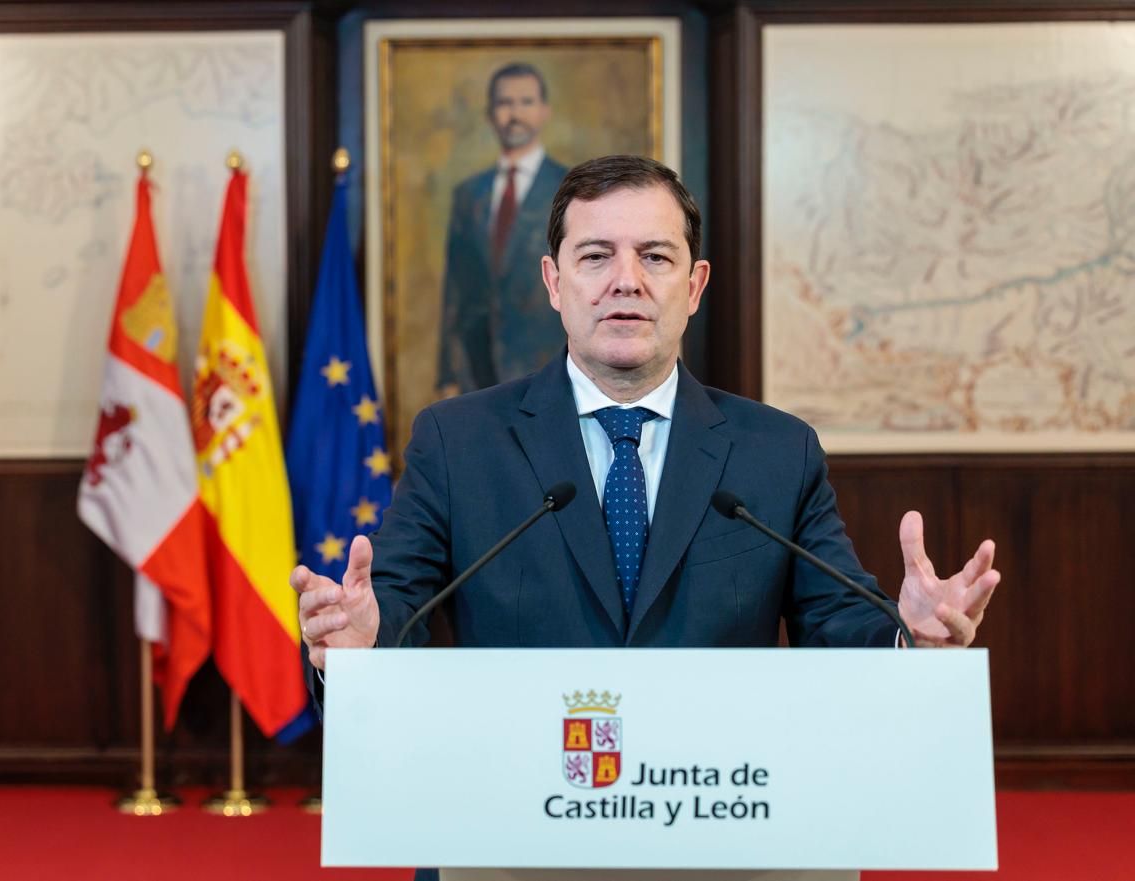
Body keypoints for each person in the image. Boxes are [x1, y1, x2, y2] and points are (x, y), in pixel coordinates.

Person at [293, 155, 1000, 670]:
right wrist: (359, 643)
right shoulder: (457, 442)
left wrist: (909, 637)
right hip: (514, 831)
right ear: (553, 281)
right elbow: (394, 611)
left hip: (720, 826)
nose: (625, 281)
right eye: (596, 255)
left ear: (694, 286)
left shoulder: (776, 453)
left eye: (655, 257)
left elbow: (839, 625)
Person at [436, 62, 569, 396]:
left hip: (550, 366)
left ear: (543, 112)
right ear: (490, 114)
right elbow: (455, 290)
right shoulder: (469, 194)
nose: (515, 113)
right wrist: (448, 374)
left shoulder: (571, 188)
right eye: (504, 103)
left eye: (525, 102)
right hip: (475, 370)